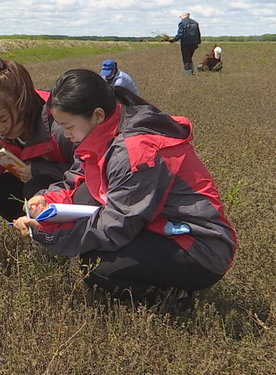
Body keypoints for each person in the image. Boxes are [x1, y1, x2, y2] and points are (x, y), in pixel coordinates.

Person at [12, 69, 237, 309]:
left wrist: (51, 235)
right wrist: (47, 200)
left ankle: (174, 301)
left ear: (97, 115)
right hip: (160, 227)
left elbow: (117, 225)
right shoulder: (103, 132)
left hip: (199, 247)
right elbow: (75, 180)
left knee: (95, 266)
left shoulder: (135, 151)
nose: (66, 136)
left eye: (68, 126)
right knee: (86, 195)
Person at [0, 59, 75, 222]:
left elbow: (86, 171)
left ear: (23, 103)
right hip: (46, 189)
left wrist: (38, 170)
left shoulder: (61, 125)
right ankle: (30, 226)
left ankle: (59, 233)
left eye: (3, 119)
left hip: (76, 193)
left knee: (34, 186)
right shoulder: (0, 133)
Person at [169, 11, 202, 75]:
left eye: (181, 17)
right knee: (189, 58)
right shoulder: (195, 23)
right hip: (194, 43)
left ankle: (189, 75)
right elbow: (198, 33)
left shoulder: (182, 23)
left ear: (183, 16)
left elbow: (180, 34)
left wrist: (174, 39)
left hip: (185, 44)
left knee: (186, 59)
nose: (180, 18)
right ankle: (192, 72)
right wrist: (198, 42)